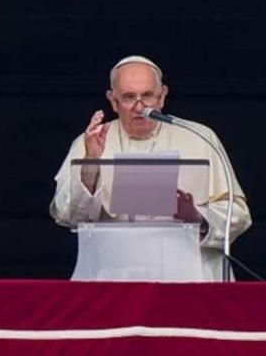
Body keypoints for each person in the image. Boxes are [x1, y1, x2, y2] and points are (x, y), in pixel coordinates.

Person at [49, 55, 252, 281]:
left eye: (147, 96)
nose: (140, 107)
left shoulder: (200, 137)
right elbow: (67, 215)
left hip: (187, 277)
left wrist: (196, 215)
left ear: (162, 96)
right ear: (113, 101)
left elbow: (239, 215)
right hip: (113, 275)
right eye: (128, 97)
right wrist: (91, 163)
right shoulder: (91, 141)